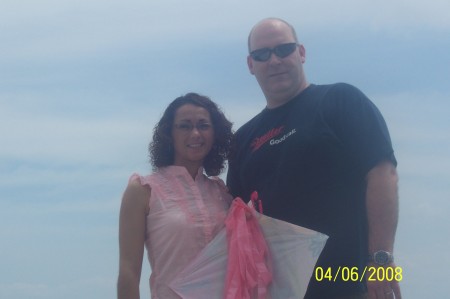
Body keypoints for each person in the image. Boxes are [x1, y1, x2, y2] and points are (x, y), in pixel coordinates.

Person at [227, 18, 401, 299]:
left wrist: (381, 264)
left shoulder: (340, 100)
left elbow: (383, 174)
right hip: (279, 291)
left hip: (351, 282)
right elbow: (235, 223)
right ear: (250, 65)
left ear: (302, 53)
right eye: (262, 54)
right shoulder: (243, 140)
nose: (274, 60)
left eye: (284, 49)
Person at [117, 93, 233, 299]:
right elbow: (129, 273)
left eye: (204, 125)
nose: (195, 133)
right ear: (169, 133)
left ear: (215, 133)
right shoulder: (143, 191)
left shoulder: (222, 192)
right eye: (185, 126)